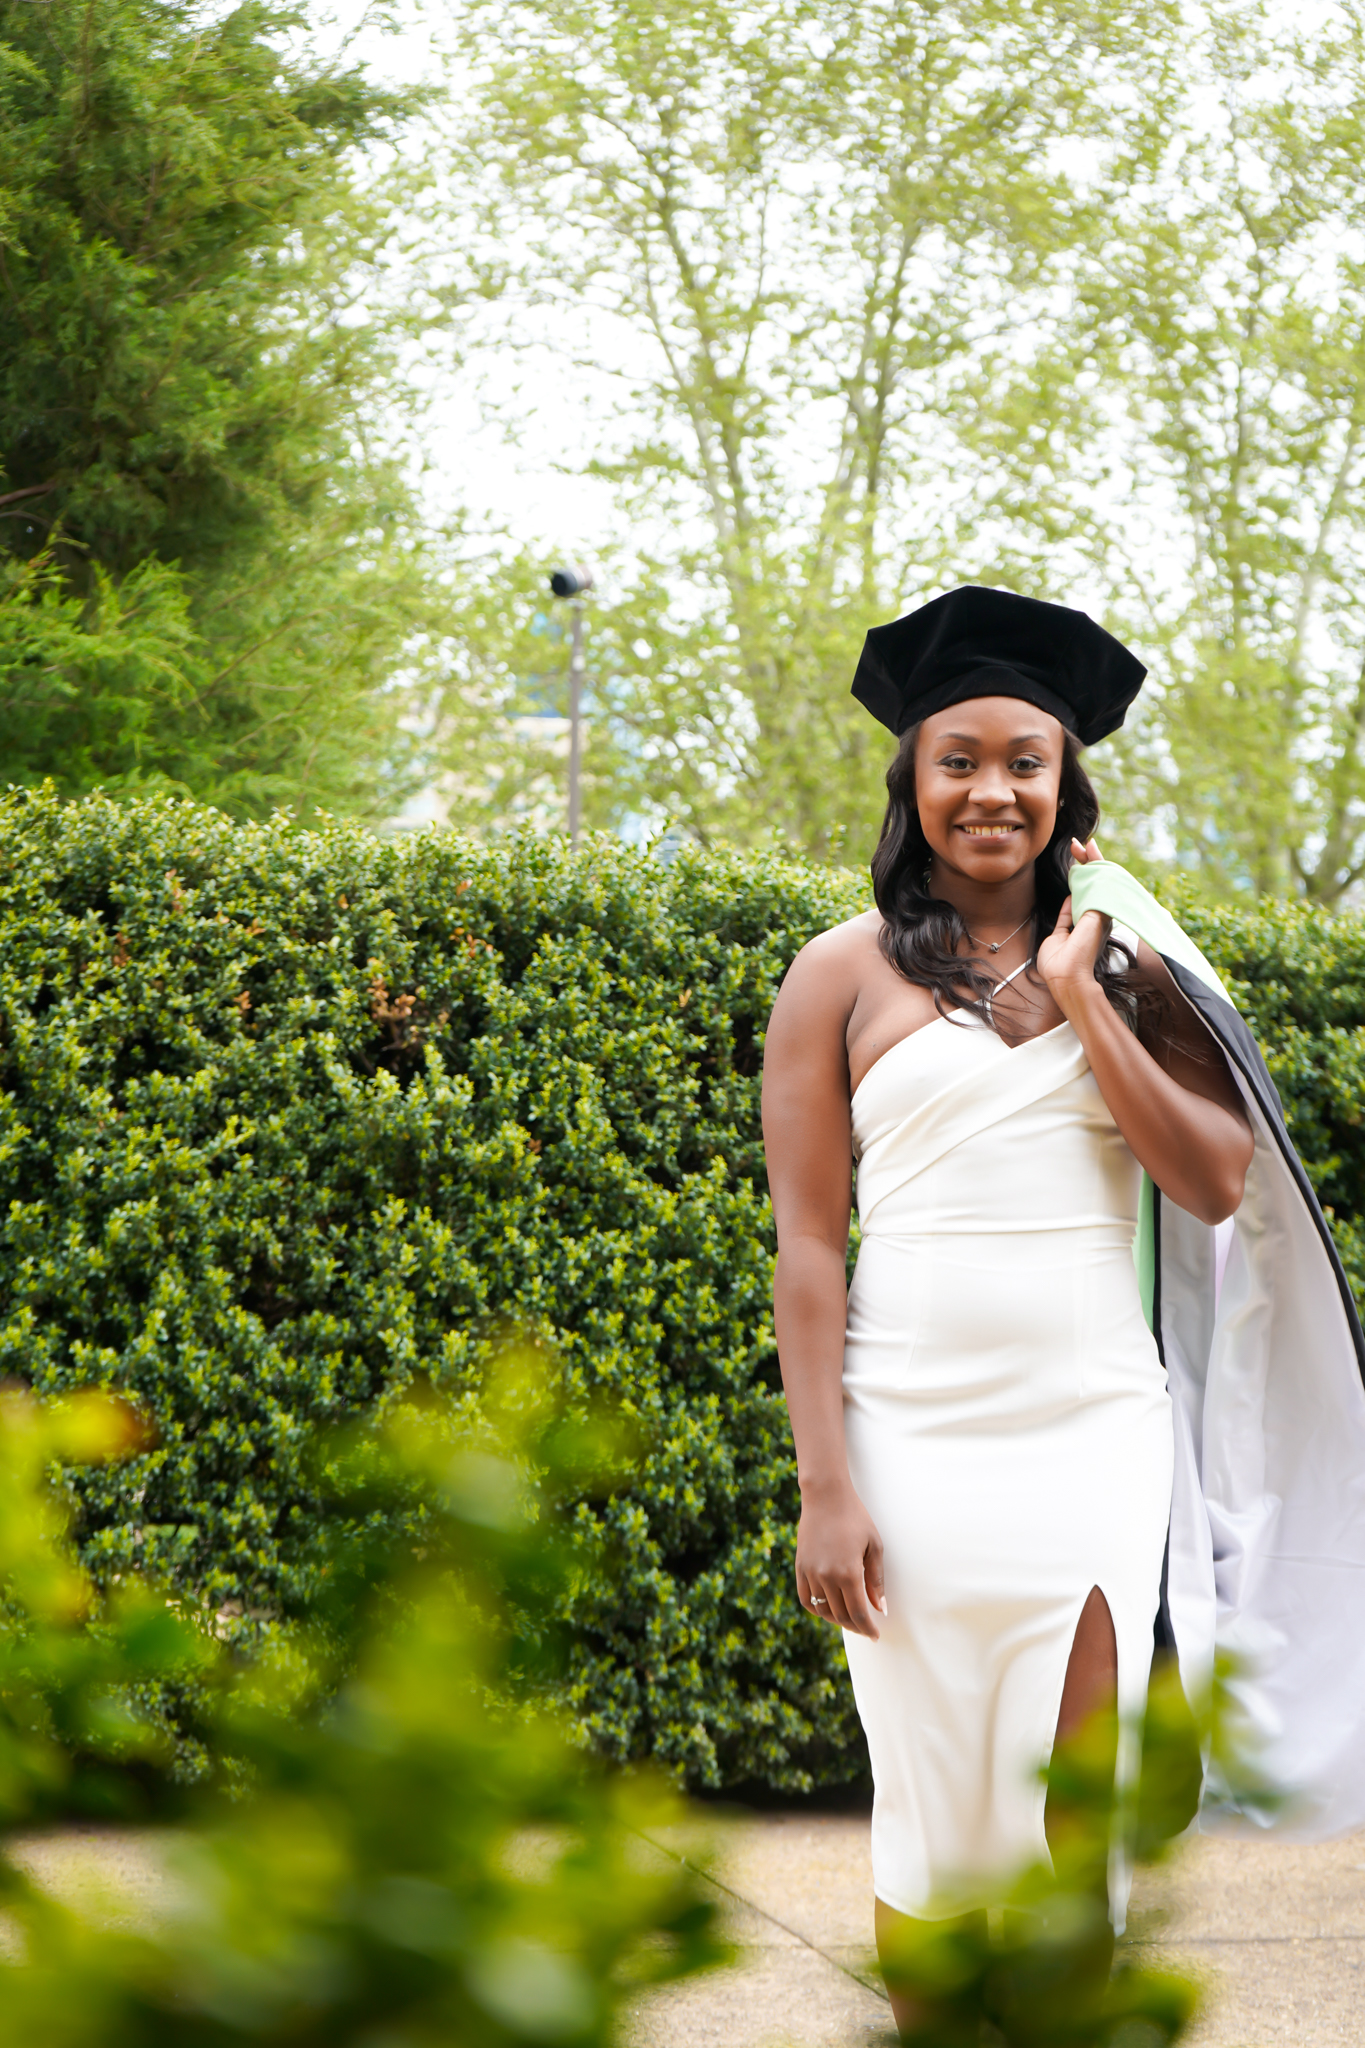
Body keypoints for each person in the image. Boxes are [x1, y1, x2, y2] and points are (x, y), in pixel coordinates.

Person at [761, 586, 1365, 2036]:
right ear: (913, 781)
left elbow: (1215, 1185)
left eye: (1024, 761)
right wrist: (824, 1487)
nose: (991, 789)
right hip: (903, 1438)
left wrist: (1086, 1000)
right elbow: (807, 1253)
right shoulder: (836, 976)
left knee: (1063, 1816)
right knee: (928, 1809)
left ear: (1065, 786)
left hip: (1090, 1434)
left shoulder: (1142, 971)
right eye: (958, 758)